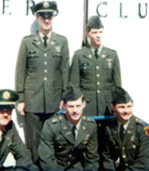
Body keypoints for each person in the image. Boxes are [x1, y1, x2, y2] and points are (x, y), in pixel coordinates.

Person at [15, 1, 69, 165]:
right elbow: (21, 72)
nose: (47, 20)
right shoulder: (27, 42)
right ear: (37, 17)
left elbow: (64, 71)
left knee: (55, 140)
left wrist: (65, 97)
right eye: (43, 16)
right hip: (33, 101)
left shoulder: (62, 41)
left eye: (50, 16)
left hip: (54, 101)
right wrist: (21, 99)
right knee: (34, 143)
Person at [38, 84, 99, 171]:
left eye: (78, 106)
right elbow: (47, 161)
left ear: (83, 104)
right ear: (63, 105)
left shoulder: (90, 125)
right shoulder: (51, 125)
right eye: (71, 106)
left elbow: (92, 159)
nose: (75, 111)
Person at [70, 15, 121, 116]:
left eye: (100, 32)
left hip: (107, 107)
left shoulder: (112, 55)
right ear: (87, 34)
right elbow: (74, 85)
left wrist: (117, 105)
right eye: (94, 32)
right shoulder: (79, 55)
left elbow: (117, 85)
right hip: (87, 107)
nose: (98, 35)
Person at [102, 87, 149, 170]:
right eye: (122, 107)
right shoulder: (110, 128)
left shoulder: (142, 128)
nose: (126, 111)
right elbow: (107, 156)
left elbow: (144, 162)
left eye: (129, 106)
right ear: (113, 108)